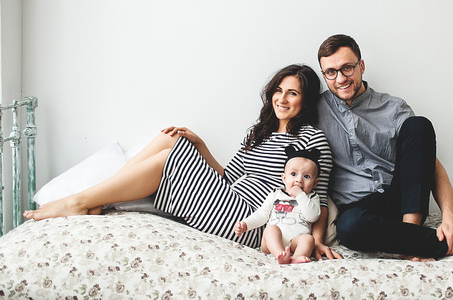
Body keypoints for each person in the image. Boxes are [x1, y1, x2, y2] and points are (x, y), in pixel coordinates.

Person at [24, 64, 333, 250]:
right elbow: (228, 175)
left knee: (167, 159)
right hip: (228, 197)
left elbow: (319, 196)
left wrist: (317, 241)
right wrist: (200, 146)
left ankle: (79, 202)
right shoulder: (259, 132)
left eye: (292, 93)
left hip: (251, 221)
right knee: (171, 137)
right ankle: (96, 200)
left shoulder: (311, 139)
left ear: (305, 100)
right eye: (279, 90)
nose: (282, 98)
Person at [315, 34, 453, 261]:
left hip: (402, 202)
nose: (340, 79)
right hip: (358, 212)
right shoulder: (317, 110)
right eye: (331, 72)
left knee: (419, 125)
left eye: (347, 68)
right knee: (350, 227)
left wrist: (450, 217)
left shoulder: (393, 107)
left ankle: (410, 238)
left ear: (361, 66)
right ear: (324, 75)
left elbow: (427, 161)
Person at [234, 146, 321, 264]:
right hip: (271, 242)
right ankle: (279, 254)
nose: (299, 180)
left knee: (309, 239)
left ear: (315, 183)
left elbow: (313, 216)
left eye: (306, 176)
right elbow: (262, 214)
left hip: (296, 242)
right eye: (293, 174)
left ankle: (296, 258)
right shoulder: (276, 194)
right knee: (271, 229)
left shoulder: (311, 197)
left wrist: (300, 195)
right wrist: (246, 224)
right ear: (284, 178)